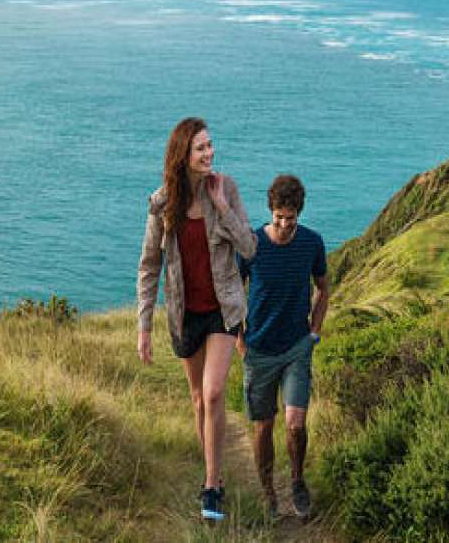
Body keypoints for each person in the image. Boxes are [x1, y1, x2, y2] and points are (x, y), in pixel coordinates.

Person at [136, 117, 257, 522]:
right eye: (201, 148)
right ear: (183, 155)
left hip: (223, 310)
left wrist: (222, 207)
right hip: (185, 315)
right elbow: (149, 266)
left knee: (213, 393)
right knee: (197, 399)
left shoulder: (226, 189)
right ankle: (213, 471)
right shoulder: (161, 203)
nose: (209, 153)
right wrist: (143, 327)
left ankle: (211, 484)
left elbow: (250, 248)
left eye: (210, 145)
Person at [237, 174, 329, 520]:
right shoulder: (251, 244)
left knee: (294, 423)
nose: (285, 223)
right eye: (279, 216)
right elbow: (233, 290)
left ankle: (297, 481)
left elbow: (323, 287)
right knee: (263, 426)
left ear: (298, 213)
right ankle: (267, 493)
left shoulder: (312, 243)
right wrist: (239, 338)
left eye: (290, 218)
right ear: (271, 211)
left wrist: (314, 333)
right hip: (258, 349)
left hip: (296, 347)